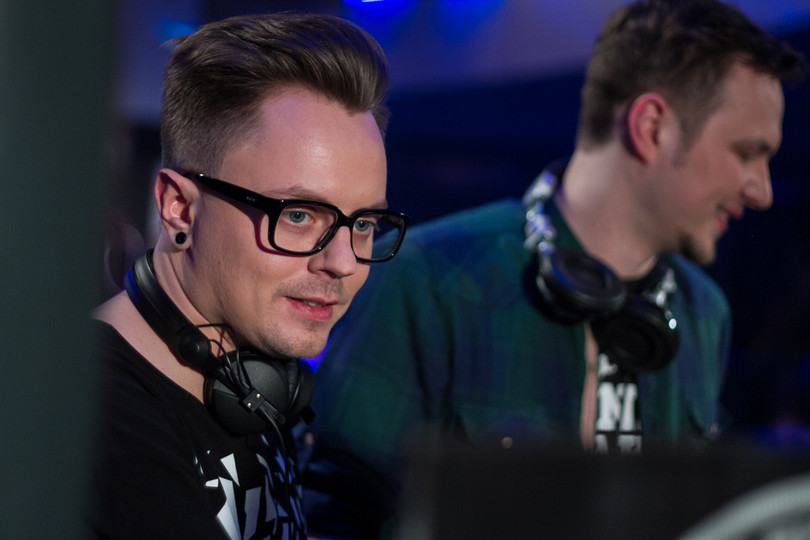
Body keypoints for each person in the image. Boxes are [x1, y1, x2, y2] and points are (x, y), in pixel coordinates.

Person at [298, 0, 806, 537]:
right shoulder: (426, 279)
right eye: (747, 153)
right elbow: (333, 518)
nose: (762, 191)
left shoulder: (704, 309)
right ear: (652, 127)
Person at [88, 12, 409, 540]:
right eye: (300, 215)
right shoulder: (96, 419)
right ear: (178, 208)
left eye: (364, 224)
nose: (344, 263)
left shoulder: (252, 380)